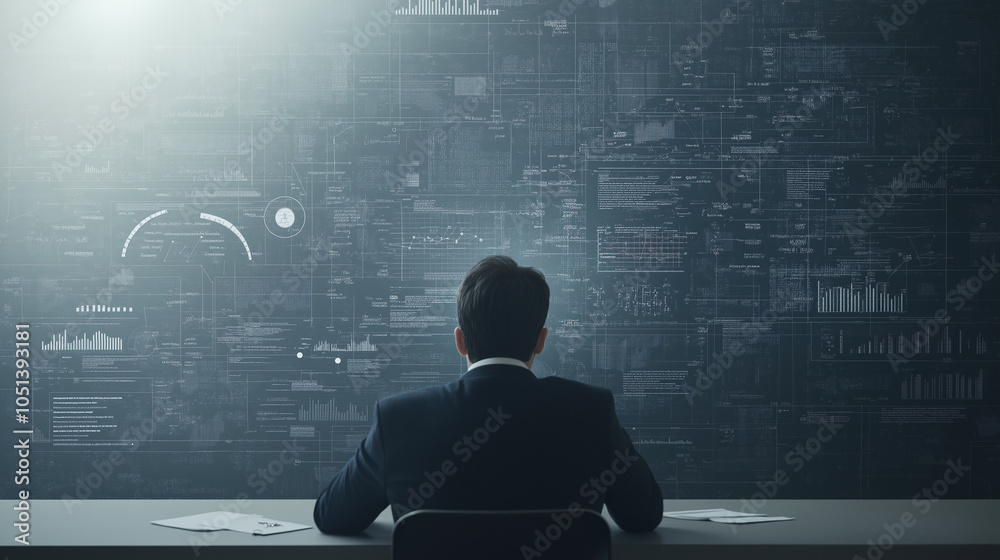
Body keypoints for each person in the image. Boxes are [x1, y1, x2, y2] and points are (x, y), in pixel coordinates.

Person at [313, 255, 663, 534]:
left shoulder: (399, 419)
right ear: (541, 341)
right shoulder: (592, 411)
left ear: (460, 340)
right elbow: (643, 517)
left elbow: (332, 517)